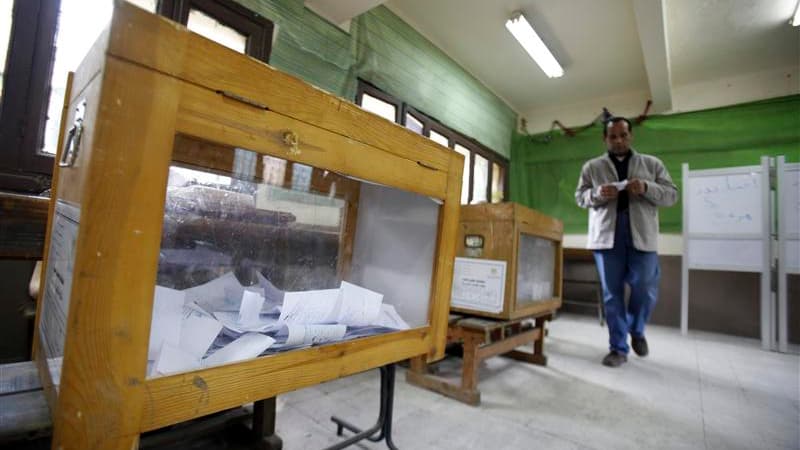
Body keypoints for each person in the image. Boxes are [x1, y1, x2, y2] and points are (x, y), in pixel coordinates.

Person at [575, 117, 678, 367]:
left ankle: (637, 329)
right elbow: (580, 197)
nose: (618, 140)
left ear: (631, 136)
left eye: (623, 135)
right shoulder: (592, 167)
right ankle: (618, 349)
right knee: (613, 295)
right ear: (605, 139)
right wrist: (597, 194)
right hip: (606, 237)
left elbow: (671, 195)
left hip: (641, 234)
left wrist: (645, 187)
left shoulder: (652, 164)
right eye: (613, 136)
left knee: (645, 287)